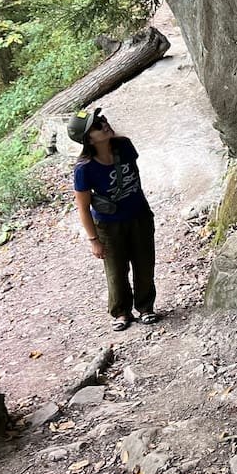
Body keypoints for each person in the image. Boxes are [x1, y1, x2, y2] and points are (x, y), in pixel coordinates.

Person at [68, 107, 159, 331]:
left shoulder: (124, 146)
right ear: (88, 139)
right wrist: (93, 240)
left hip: (139, 215)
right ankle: (121, 312)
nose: (104, 124)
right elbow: (83, 207)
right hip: (108, 225)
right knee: (116, 271)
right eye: (97, 125)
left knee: (144, 263)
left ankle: (146, 307)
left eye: (102, 119)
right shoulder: (84, 169)